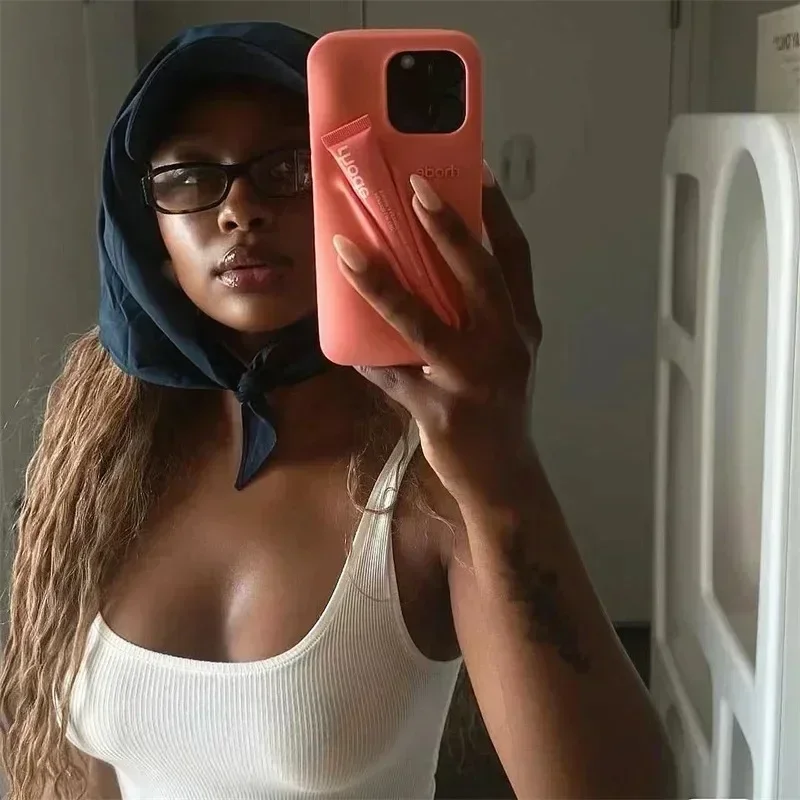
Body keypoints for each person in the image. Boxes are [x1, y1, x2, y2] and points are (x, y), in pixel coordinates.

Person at [0, 21, 674, 800]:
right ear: (147, 227)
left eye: (290, 167)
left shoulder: (429, 468)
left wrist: (505, 474)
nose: (240, 209)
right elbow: (60, 768)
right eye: (189, 176)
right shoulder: (99, 448)